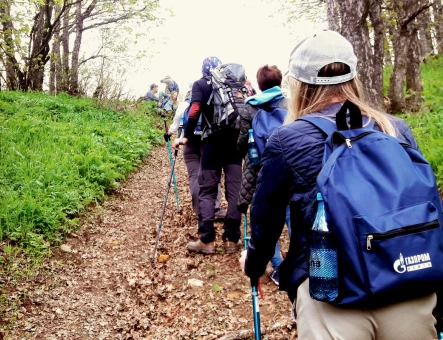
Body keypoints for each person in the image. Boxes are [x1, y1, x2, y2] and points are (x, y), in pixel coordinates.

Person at [241, 30, 436, 339]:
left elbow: (266, 220)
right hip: (406, 281)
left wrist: (254, 266)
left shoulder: (286, 140)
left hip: (329, 289)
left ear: (300, 85)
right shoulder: (394, 128)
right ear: (353, 77)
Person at [172, 56, 243, 255]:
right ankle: (231, 239)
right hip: (235, 144)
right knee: (234, 190)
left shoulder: (201, 84)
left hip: (211, 144)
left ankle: (207, 240)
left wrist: (186, 136)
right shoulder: (233, 85)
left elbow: (194, 110)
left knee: (208, 190)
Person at [237, 64, 291, 286]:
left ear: (259, 84)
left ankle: (278, 267)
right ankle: (300, 262)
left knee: (267, 217)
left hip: (260, 168)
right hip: (289, 164)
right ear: (280, 82)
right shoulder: (290, 103)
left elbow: (242, 144)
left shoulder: (249, 108)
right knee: (292, 214)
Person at [165, 85, 226, 220]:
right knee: (212, 174)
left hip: (189, 142)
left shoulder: (183, 105)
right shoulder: (211, 102)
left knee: (194, 176)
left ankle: (200, 211)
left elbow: (175, 126)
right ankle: (214, 209)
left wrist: (168, 134)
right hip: (208, 141)